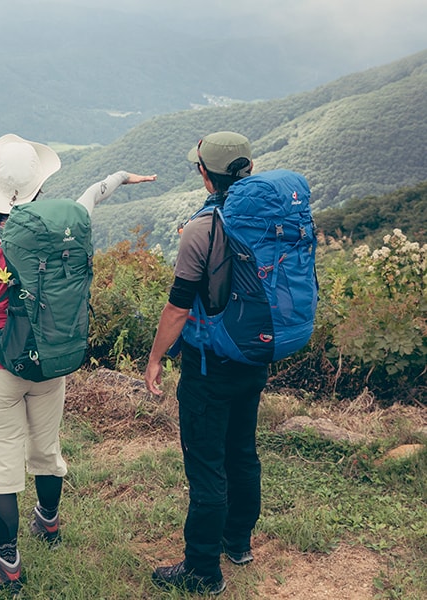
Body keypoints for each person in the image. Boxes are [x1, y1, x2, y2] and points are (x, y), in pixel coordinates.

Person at [0, 133, 156, 594]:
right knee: (46, 447)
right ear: (39, 184)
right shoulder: (66, 224)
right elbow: (92, 195)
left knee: (1, 462)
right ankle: (49, 522)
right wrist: (121, 177)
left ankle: (8, 563)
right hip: (51, 364)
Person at [144, 131, 266, 595]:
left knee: (207, 463)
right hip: (254, 357)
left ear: (203, 173)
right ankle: (238, 542)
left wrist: (156, 358)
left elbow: (178, 308)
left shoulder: (202, 228)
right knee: (242, 451)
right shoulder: (266, 218)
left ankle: (202, 569)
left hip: (210, 365)